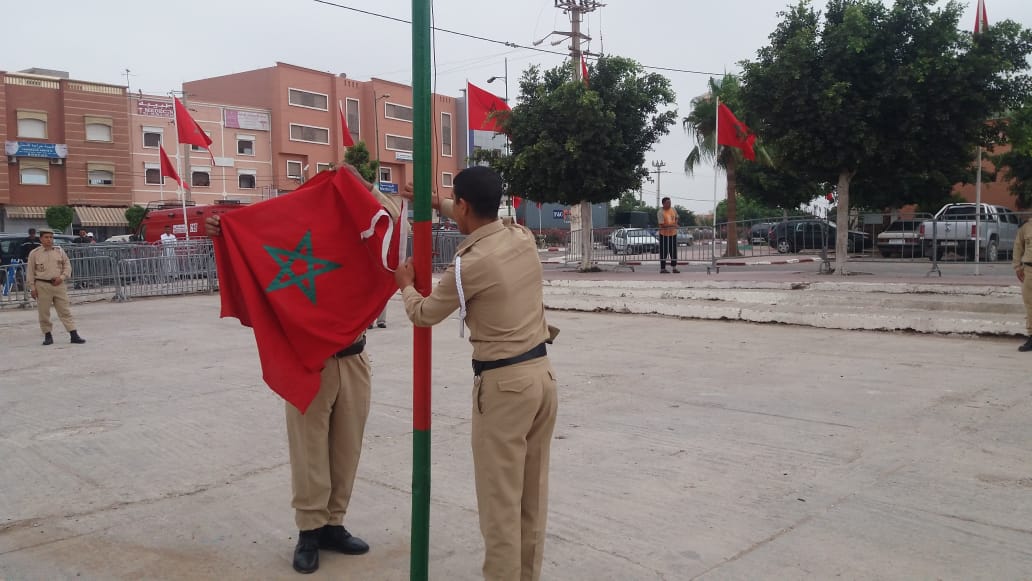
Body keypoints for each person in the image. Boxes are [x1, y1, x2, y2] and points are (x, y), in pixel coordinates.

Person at [205, 165, 397, 574]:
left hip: (355, 358)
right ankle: (309, 530)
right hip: (310, 362)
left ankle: (334, 524)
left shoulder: (358, 231)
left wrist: (364, 185)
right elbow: (256, 241)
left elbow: (392, 220)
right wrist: (225, 232)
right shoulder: (299, 235)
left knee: (347, 448)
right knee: (309, 451)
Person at [394, 166, 559, 581]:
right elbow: (474, 214)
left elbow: (424, 314)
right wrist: (437, 202)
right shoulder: (521, 237)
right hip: (541, 378)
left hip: (504, 389)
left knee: (500, 506)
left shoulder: (470, 265)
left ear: (465, 205)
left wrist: (405, 285)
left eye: (455, 202)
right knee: (532, 498)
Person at [26, 228, 86, 345]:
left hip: (59, 284)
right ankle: (47, 335)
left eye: (51, 237)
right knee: (44, 312)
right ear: (41, 239)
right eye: (46, 237)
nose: (49, 240)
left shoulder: (59, 251)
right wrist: (32, 288)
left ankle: (73, 334)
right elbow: (30, 272)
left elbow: (67, 266)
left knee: (65, 310)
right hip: (42, 285)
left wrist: (62, 277)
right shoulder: (35, 253)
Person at [1013, 216, 1032, 352]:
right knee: (1030, 305)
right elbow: (1018, 246)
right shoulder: (1026, 227)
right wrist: (1017, 267)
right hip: (1029, 271)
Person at [657, 196, 680, 273]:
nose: (669, 204)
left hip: (673, 234)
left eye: (670, 202)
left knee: (673, 251)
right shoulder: (660, 212)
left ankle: (674, 268)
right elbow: (661, 225)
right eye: (668, 203)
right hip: (664, 235)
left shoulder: (673, 209)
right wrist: (673, 225)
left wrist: (675, 223)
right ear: (663, 204)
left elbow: (677, 217)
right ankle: (663, 268)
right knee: (664, 251)